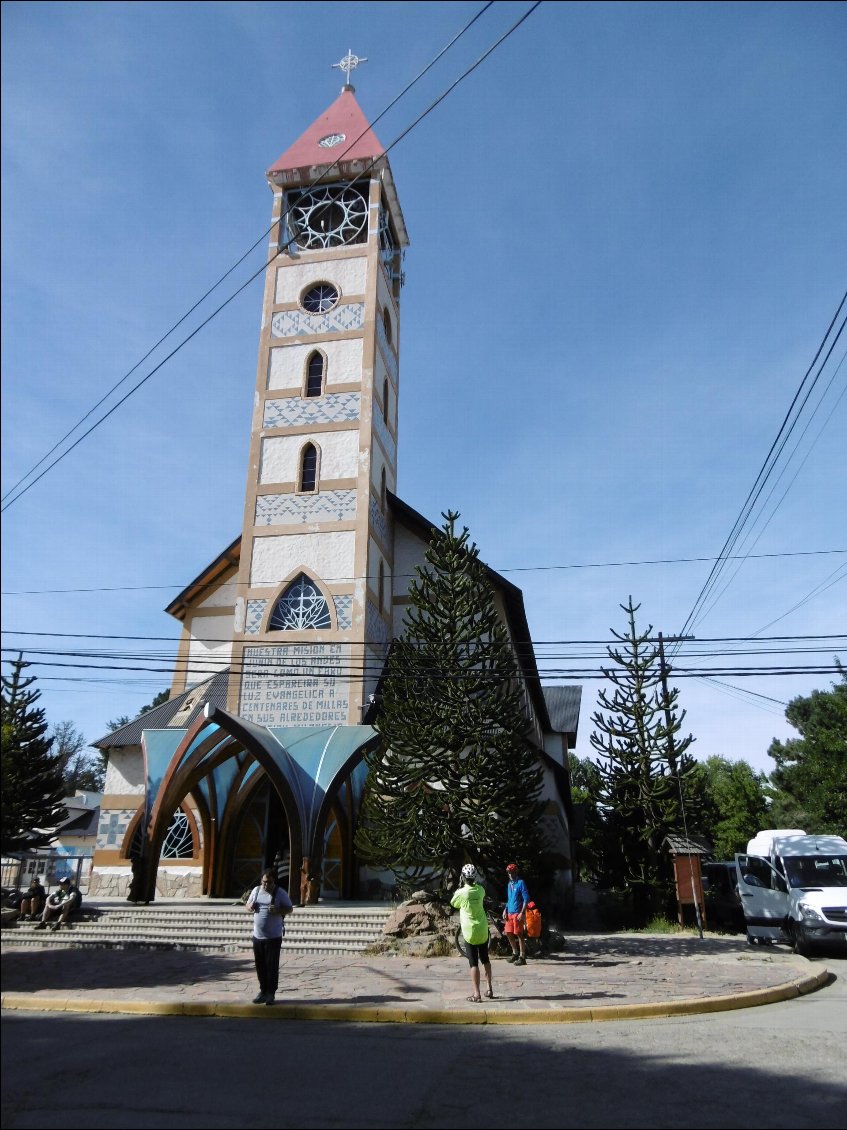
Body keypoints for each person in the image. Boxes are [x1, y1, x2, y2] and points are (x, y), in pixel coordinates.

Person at [246, 867, 293, 1005]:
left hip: (273, 937)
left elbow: (290, 908)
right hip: (258, 936)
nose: (266, 885)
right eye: (264, 882)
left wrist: (278, 910)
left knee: (271, 966)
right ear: (261, 880)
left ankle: (271, 993)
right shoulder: (256, 891)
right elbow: (247, 905)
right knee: (260, 966)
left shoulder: (280, 893)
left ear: (274, 881)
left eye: (270, 882)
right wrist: (250, 907)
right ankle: (263, 991)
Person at [450, 864, 494, 1003]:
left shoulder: (461, 893)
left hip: (470, 931)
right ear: (475, 877)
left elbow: (454, 903)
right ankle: (489, 988)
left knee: (473, 963)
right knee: (485, 959)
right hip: (482, 929)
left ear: (463, 877)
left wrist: (459, 887)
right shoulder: (481, 890)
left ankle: (477, 994)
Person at [503, 862, 529, 965]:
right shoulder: (509, 884)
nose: (510, 874)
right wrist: (505, 909)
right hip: (509, 913)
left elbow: (526, 899)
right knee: (508, 933)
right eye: (509, 872)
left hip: (517, 913)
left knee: (519, 934)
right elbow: (509, 899)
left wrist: (522, 913)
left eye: (512, 872)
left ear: (515, 872)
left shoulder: (520, 883)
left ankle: (522, 957)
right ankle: (515, 953)